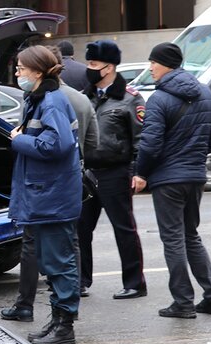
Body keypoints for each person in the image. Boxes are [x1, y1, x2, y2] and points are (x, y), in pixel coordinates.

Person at [1, 45, 98, 323]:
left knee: (59, 263)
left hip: (52, 197)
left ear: (37, 72)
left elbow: (57, 144)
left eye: (21, 69)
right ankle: (57, 322)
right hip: (47, 196)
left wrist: (19, 140)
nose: (17, 74)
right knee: (52, 262)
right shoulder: (41, 99)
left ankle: (63, 325)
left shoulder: (52, 102)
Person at [133, 42, 211, 318]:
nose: (150, 67)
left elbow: (150, 144)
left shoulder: (159, 99)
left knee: (173, 239)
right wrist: (193, 153)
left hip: (168, 179)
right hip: (195, 176)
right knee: (191, 235)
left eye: (154, 62)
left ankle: (183, 302)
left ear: (166, 64)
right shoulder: (205, 93)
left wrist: (141, 172)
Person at [79, 39, 147, 300]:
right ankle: (80, 281)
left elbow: (141, 138)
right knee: (80, 229)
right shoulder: (85, 96)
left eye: (93, 64)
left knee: (124, 229)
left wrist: (138, 172)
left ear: (108, 67)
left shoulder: (130, 98)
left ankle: (135, 283)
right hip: (87, 172)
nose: (89, 68)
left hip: (116, 172)